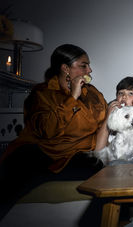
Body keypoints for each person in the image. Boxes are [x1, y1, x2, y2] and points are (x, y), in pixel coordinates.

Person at [0, 44, 111, 219]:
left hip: (84, 155)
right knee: (20, 168)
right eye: (83, 65)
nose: (90, 69)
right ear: (66, 68)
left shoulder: (92, 93)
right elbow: (47, 131)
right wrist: (72, 97)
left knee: (108, 170)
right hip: (48, 153)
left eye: (88, 65)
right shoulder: (42, 93)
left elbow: (105, 122)